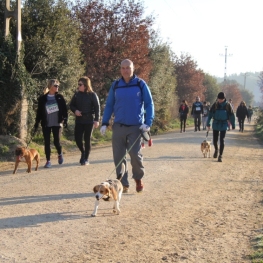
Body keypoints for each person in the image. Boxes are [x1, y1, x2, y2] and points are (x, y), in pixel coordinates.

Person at [100, 59, 154, 193]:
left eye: (128, 68)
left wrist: (148, 122)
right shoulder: (116, 85)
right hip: (118, 126)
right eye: (123, 68)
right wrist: (105, 123)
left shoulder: (140, 84)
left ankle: (138, 178)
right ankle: (123, 183)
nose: (125, 70)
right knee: (118, 156)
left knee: (135, 155)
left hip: (136, 127)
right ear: (120, 70)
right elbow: (110, 104)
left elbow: (149, 103)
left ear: (133, 68)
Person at [34, 79, 68, 168]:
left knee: (56, 141)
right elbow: (39, 112)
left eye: (58, 86)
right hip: (46, 123)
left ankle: (60, 153)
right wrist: (37, 123)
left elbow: (64, 109)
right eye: (55, 86)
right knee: (47, 142)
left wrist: (65, 119)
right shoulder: (43, 98)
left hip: (57, 122)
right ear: (50, 87)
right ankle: (48, 161)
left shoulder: (60, 97)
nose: (57, 87)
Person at [70, 76, 100, 165]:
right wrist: (75, 111)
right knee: (77, 138)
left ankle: (86, 158)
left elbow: (97, 107)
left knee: (87, 139)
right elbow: (71, 105)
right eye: (78, 84)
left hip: (89, 120)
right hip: (79, 120)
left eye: (80, 84)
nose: (78, 86)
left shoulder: (92, 95)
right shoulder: (76, 94)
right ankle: (83, 152)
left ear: (86, 85)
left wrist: (96, 120)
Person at [206, 92, 235, 162]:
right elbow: (210, 115)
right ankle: (216, 150)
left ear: (224, 98)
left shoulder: (228, 105)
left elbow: (232, 115)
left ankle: (220, 155)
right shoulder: (215, 104)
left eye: (221, 99)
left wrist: (233, 124)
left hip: (224, 124)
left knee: (222, 140)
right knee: (215, 140)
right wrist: (208, 123)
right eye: (219, 99)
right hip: (215, 123)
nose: (220, 100)